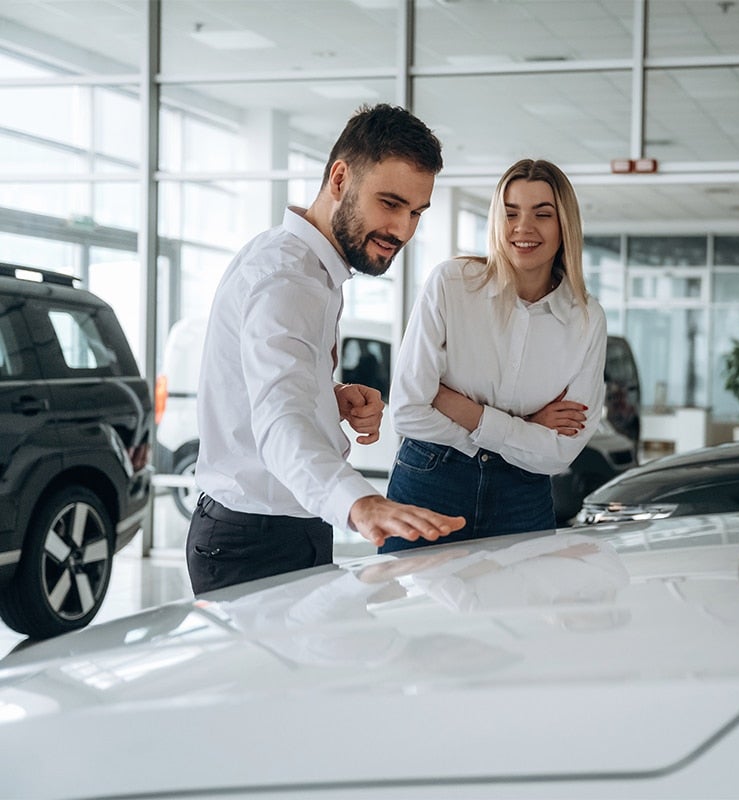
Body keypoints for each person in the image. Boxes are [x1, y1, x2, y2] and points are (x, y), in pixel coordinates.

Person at [187, 104, 465, 594]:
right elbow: (278, 421)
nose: (403, 230)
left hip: (277, 524)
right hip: (256, 537)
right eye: (390, 203)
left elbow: (263, 386)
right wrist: (359, 504)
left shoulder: (303, 266)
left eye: (416, 212)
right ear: (340, 178)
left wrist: (326, 395)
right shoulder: (287, 278)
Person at [380, 158, 607, 553]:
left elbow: (559, 452)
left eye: (543, 214)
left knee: (516, 614)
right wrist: (525, 425)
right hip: (431, 482)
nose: (524, 227)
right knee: (413, 612)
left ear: (564, 225)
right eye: (511, 212)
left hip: (521, 496)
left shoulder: (585, 319)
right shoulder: (451, 285)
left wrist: (464, 410)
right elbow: (407, 410)